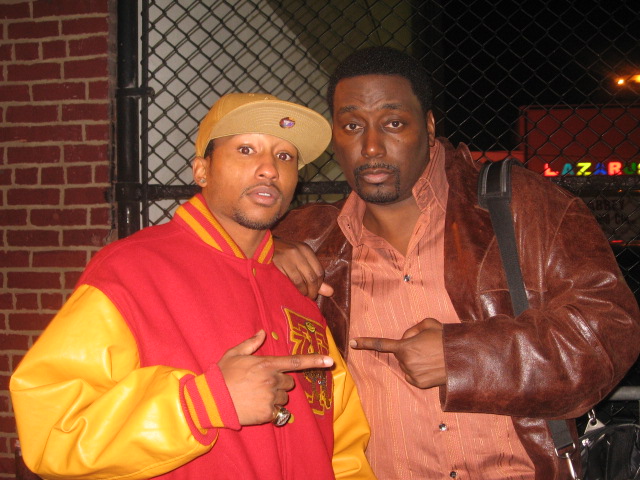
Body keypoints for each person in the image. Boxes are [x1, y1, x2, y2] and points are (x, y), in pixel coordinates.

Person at [272, 46, 640, 479]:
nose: (370, 146)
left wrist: (462, 358)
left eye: (393, 123)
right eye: (352, 125)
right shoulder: (310, 238)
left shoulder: (519, 206)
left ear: (428, 127)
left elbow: (610, 330)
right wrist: (262, 250)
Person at [10, 93, 375, 480]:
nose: (270, 169)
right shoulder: (129, 271)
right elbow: (52, 431)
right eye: (246, 149)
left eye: (285, 156)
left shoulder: (296, 294)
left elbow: (342, 448)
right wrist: (202, 404)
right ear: (202, 171)